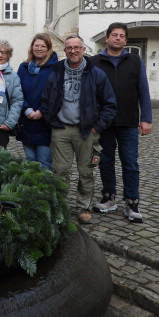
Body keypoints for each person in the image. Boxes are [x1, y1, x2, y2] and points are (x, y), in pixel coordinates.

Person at [40, 35, 117, 225]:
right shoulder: (56, 72)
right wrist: (51, 119)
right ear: (64, 51)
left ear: (83, 50)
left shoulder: (96, 73)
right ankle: (60, 207)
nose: (73, 51)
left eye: (77, 47)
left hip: (86, 131)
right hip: (61, 129)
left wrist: (97, 127)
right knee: (59, 170)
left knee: (86, 171)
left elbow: (110, 104)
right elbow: (46, 99)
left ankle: (83, 208)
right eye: (69, 48)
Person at [90, 22, 152, 224]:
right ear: (106, 38)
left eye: (122, 36)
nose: (118, 38)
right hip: (103, 123)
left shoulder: (134, 61)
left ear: (125, 40)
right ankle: (109, 198)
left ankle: (132, 203)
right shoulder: (95, 62)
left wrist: (146, 119)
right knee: (105, 162)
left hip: (128, 121)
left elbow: (143, 91)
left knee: (130, 163)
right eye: (114, 35)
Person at [16, 34, 59, 170]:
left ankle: (45, 192)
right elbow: (17, 91)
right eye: (36, 45)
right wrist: (27, 109)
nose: (39, 49)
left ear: (48, 49)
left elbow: (56, 94)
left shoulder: (55, 68)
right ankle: (31, 191)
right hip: (26, 122)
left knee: (44, 162)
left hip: (45, 123)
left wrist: (41, 110)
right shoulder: (23, 67)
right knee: (30, 161)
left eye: (43, 46)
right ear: (32, 47)